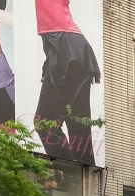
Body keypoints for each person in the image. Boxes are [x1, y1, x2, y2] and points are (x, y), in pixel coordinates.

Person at [32, 0, 101, 164]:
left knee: (45, 122)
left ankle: (67, 175)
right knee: (78, 125)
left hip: (67, 48)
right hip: (70, 47)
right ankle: (83, 181)